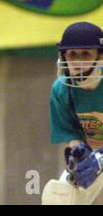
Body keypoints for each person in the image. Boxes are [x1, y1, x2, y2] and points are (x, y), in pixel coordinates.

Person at [42, 22, 103, 205]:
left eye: (85, 53)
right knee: (59, 198)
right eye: (72, 54)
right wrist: (77, 156)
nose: (77, 61)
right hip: (95, 157)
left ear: (100, 57)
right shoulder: (61, 90)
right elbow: (72, 136)